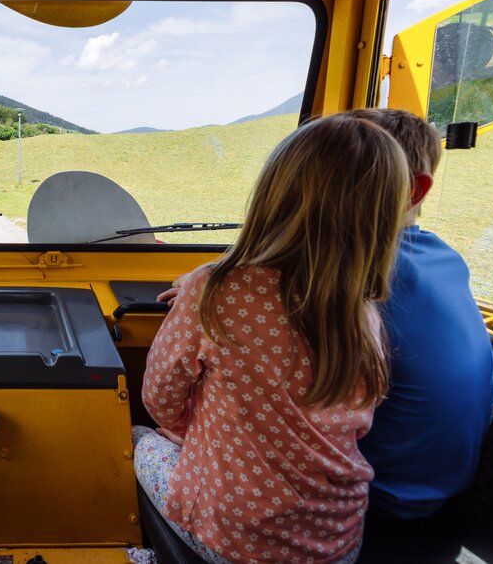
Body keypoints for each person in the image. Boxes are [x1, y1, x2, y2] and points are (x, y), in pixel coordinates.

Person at [134, 115, 411, 563]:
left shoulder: (215, 290)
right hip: (338, 542)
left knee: (136, 438)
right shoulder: (364, 314)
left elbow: (159, 400)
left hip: (235, 539)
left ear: (273, 196)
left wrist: (196, 438)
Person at [336, 109, 493, 554]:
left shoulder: (359, 274)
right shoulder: (445, 259)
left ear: (411, 190)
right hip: (446, 500)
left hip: (379, 508)